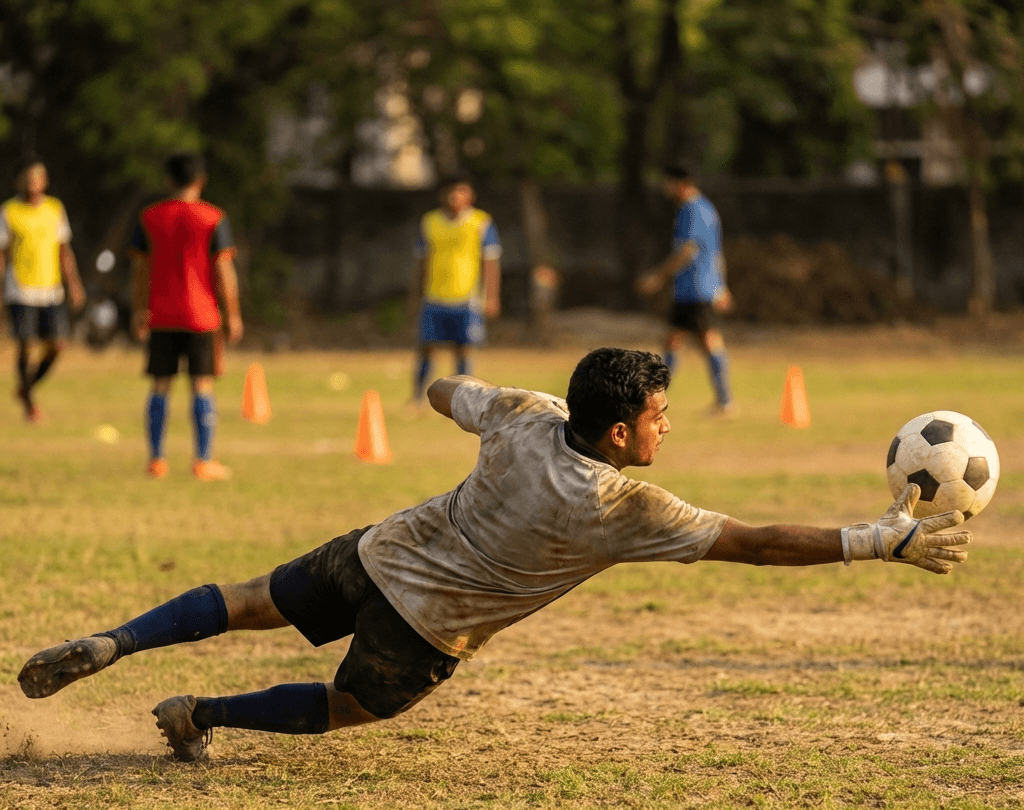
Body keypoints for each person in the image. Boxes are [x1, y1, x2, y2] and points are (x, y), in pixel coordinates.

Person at [17, 348, 971, 763]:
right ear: (616, 429)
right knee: (353, 707)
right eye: (657, 415)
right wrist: (878, 540)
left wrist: (452, 390)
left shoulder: (530, 418)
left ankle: (112, 641)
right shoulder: (623, 506)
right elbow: (755, 544)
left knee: (245, 598)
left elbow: (447, 390)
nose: (666, 425)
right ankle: (201, 713)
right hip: (431, 625)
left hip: (382, 546)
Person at [131, 152, 243, 481]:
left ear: (168, 181)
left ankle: (157, 459)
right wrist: (233, 313)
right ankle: (203, 460)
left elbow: (139, 270)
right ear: (201, 181)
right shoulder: (213, 217)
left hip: (162, 315)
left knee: (160, 385)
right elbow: (224, 272)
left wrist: (140, 308)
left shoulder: (150, 217)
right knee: (202, 386)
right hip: (201, 316)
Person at [636, 162, 734, 414]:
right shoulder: (704, 209)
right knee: (678, 340)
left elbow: (688, 251)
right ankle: (721, 401)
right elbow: (716, 252)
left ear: (680, 183)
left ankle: (723, 401)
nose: (664, 188)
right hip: (701, 287)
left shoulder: (693, 210)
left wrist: (658, 276)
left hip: (695, 288)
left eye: (666, 182)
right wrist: (721, 286)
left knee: (699, 341)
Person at [0, 158, 85, 421]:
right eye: (28, 177)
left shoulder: (54, 208)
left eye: (37, 177)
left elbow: (64, 249)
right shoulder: (9, 211)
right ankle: (29, 405)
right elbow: (2, 253)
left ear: (45, 181)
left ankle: (26, 387)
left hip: (51, 287)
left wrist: (74, 283)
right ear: (19, 181)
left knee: (57, 344)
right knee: (26, 345)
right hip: (21, 288)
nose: (32, 183)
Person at [407, 172, 501, 403]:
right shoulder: (430, 222)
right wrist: (414, 295)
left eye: (462, 191)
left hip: (467, 298)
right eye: (452, 191)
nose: (456, 196)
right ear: (443, 194)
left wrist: (492, 296)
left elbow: (490, 262)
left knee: (464, 350)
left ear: (470, 195)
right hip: (434, 296)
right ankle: (417, 397)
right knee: (426, 348)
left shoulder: (481, 222)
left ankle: (465, 402)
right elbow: (421, 262)